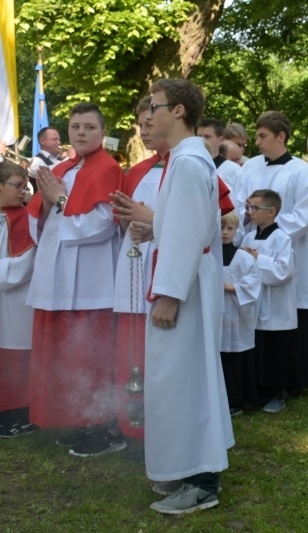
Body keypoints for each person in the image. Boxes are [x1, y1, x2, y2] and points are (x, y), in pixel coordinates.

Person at [143, 78, 233, 514]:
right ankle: (186, 466)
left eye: (155, 106)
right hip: (188, 279)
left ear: (178, 111)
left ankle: (202, 481)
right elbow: (181, 225)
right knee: (182, 376)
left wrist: (169, 294)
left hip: (185, 286)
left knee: (186, 377)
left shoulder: (190, 163)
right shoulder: (186, 159)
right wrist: (152, 227)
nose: (149, 115)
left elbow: (188, 235)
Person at [26, 102, 122, 456]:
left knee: (92, 354)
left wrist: (59, 199)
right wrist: (47, 202)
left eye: (89, 127)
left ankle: (104, 427)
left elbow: (102, 224)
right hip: (57, 275)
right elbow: (41, 221)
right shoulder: (62, 168)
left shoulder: (109, 168)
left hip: (91, 280)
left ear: (103, 133)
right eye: (76, 126)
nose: (81, 132)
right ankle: (80, 421)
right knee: (68, 355)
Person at [236, 110, 308, 398]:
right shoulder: (250, 167)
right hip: (251, 246)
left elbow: (306, 215)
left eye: (263, 136)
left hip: (288, 249)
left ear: (281, 136)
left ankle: (293, 380)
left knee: (287, 313)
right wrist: (246, 226)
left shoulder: (301, 170)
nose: (257, 142)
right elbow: (239, 204)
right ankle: (256, 379)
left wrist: (269, 231)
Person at [109, 97, 164, 458]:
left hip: (165, 259)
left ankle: (160, 425)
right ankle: (131, 424)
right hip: (133, 259)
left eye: (150, 123)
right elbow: (120, 219)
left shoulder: (185, 166)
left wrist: (152, 222)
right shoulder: (137, 170)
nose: (144, 131)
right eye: (140, 125)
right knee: (131, 345)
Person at [240, 189, 296, 412]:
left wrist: (257, 258)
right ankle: (257, 393)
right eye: (249, 207)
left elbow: (283, 272)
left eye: (255, 208)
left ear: (271, 212)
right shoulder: (248, 238)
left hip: (276, 307)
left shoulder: (282, 238)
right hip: (255, 303)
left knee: (275, 351)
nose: (250, 212)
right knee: (258, 350)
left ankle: (277, 394)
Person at [0, 162, 36, 437]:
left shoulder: (24, 218)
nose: (23, 191)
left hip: (14, 299)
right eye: (17, 186)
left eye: (25, 186)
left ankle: (14, 414)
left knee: (15, 356)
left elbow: (24, 265)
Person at [220, 211, 261, 415]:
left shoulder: (244, 257)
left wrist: (231, 287)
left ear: (237, 230)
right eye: (221, 227)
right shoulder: (208, 256)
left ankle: (237, 399)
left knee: (237, 356)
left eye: (230, 228)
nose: (225, 232)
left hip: (237, 313)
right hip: (217, 315)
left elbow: (253, 282)